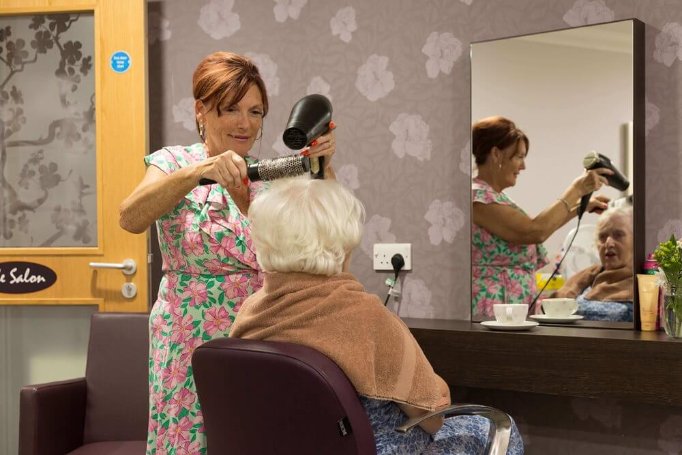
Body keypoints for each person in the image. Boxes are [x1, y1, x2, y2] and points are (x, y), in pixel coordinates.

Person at [118, 51, 337, 454]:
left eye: (255, 112)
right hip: (188, 340)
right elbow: (130, 217)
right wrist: (198, 172)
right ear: (201, 110)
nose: (245, 123)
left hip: (261, 334)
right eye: (231, 109)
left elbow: (323, 250)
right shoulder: (173, 163)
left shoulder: (270, 175)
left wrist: (324, 167)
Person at [230, 177, 525, 454]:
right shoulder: (364, 316)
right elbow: (430, 416)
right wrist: (434, 392)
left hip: (287, 446)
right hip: (376, 446)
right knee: (500, 429)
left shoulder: (252, 311)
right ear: (342, 243)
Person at [471, 116, 613, 319]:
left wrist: (580, 208)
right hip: (494, 305)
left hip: (511, 303)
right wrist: (577, 188)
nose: (523, 167)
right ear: (496, 154)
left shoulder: (495, 197)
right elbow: (534, 231)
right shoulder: (477, 197)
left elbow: (539, 228)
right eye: (519, 157)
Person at [550, 206, 634, 321]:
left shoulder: (645, 282)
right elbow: (552, 310)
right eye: (602, 237)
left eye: (618, 235)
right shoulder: (587, 276)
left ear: (635, 239)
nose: (608, 244)